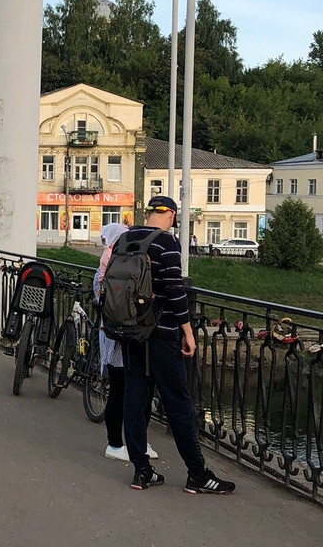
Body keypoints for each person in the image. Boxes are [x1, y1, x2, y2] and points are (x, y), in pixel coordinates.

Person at [121, 196, 235, 494]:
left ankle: (141, 471)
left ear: (148, 213)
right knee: (178, 403)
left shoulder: (125, 238)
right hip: (161, 334)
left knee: (135, 400)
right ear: (170, 214)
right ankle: (197, 474)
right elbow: (174, 290)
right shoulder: (166, 243)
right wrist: (188, 331)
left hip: (129, 331)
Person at [94, 222, 156, 463]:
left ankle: (120, 443)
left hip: (112, 333)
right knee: (138, 391)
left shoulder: (105, 263)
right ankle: (123, 443)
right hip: (136, 332)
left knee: (120, 390)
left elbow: (99, 295)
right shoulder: (137, 262)